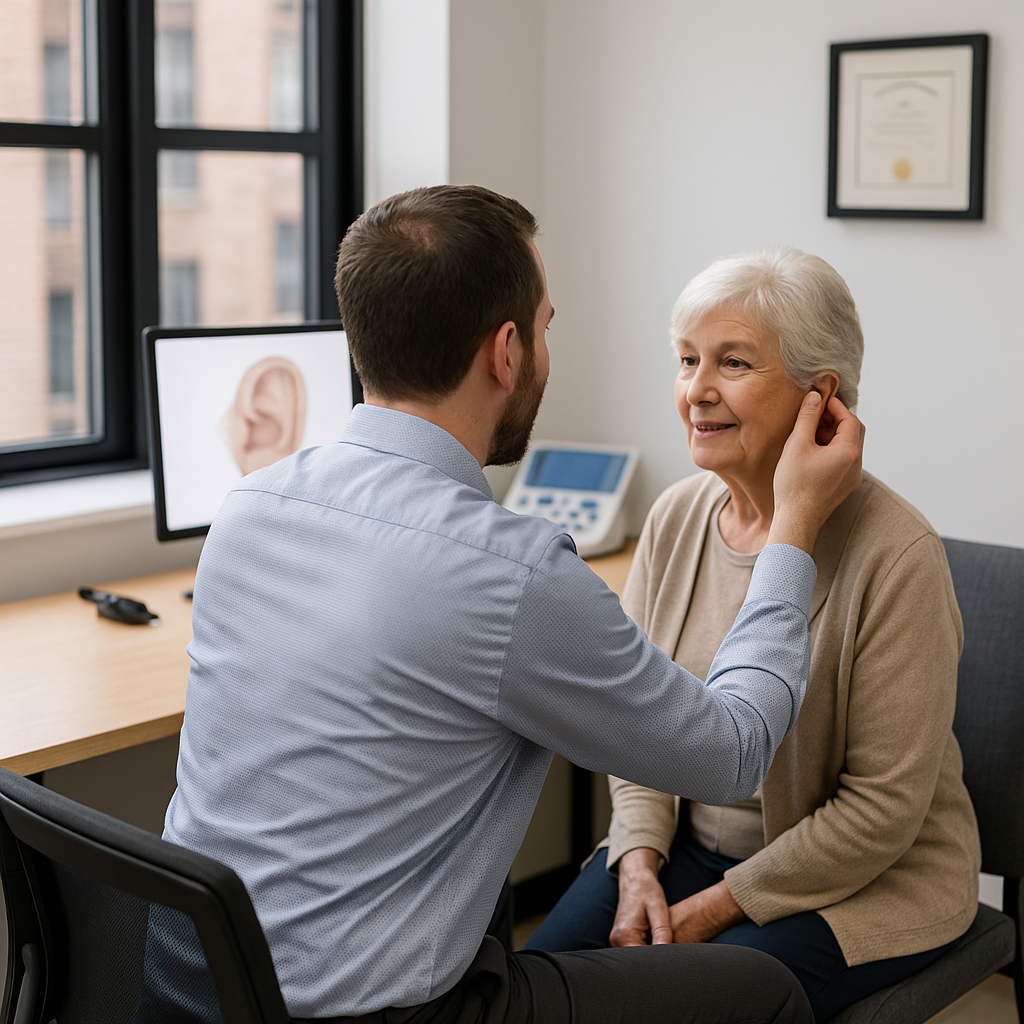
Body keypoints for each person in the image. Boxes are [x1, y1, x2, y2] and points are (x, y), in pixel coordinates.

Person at [141, 189, 865, 1024]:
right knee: (765, 995)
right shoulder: (512, 571)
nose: (700, 387)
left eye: (731, 363)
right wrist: (796, 532)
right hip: (369, 1013)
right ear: (507, 351)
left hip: (188, 988)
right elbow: (733, 751)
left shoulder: (249, 508)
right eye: (547, 326)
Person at [524, 247, 981, 1023]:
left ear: (820, 399)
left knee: (680, 1009)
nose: (696, 390)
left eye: (732, 363)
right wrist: (637, 862)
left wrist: (709, 913)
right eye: (686, 360)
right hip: (685, 849)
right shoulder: (674, 517)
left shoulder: (898, 555)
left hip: (867, 878)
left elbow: (880, 812)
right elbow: (634, 726)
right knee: (536, 986)